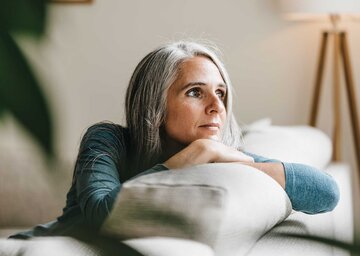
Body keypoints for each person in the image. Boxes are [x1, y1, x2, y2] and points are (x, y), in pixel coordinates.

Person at [10, 41, 339, 239]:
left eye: (221, 93)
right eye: (196, 92)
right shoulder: (108, 139)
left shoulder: (218, 154)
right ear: (155, 102)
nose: (216, 107)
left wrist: (245, 162)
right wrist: (191, 157)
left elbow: (326, 192)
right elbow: (103, 212)